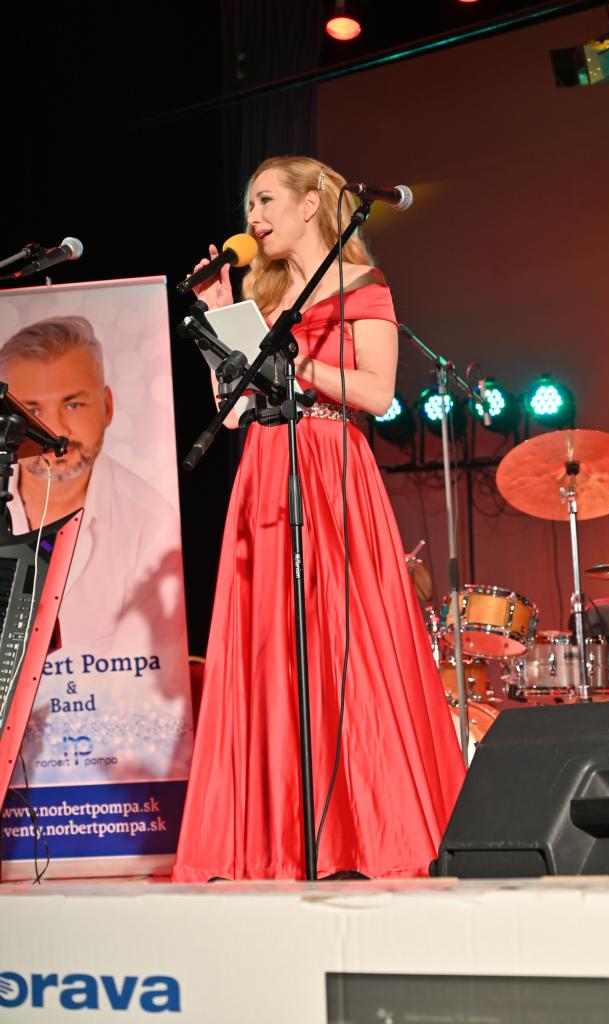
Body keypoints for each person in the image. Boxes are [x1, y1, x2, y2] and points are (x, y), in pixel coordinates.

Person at [172, 156, 465, 882]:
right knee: (271, 645)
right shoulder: (262, 295)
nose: (254, 216)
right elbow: (232, 413)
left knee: (344, 639)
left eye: (267, 199)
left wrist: (296, 362)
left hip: (332, 466)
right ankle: (275, 839)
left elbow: (377, 393)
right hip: (266, 469)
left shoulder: (364, 285)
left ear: (310, 205)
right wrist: (216, 322)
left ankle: (363, 833)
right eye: (249, 204)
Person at [0, 315, 182, 650]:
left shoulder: (150, 521)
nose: (57, 431)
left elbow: (145, 667)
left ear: (107, 407)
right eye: (33, 411)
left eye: (73, 404)